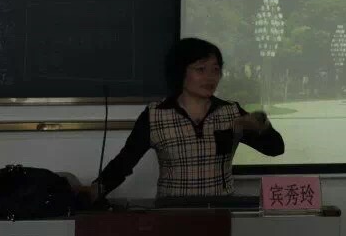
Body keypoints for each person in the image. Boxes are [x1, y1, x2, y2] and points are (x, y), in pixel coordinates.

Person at [90, 38, 284, 199]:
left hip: (220, 212)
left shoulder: (231, 112)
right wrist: (93, 193)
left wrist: (261, 125)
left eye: (215, 70)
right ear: (180, 71)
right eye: (201, 69)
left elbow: (275, 148)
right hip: (172, 214)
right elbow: (123, 163)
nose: (210, 77)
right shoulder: (155, 114)